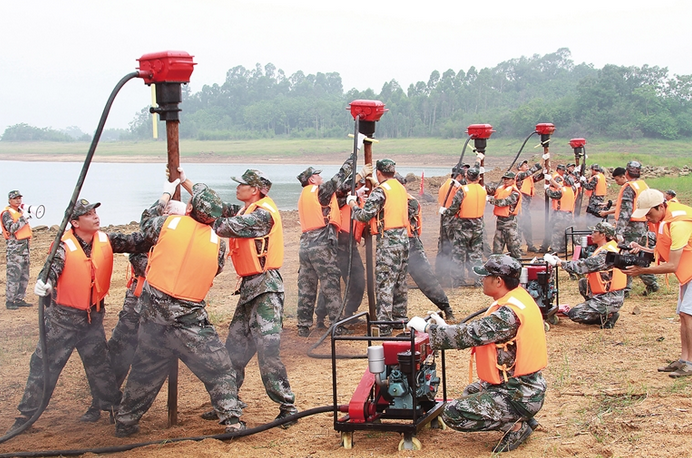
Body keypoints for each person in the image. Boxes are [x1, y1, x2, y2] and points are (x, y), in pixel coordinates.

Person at [115, 180, 244, 436]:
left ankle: (126, 422)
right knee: (219, 368)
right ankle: (231, 420)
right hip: (188, 317)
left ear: (189, 207)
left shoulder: (167, 224)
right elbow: (216, 269)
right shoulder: (218, 242)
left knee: (146, 369)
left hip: (153, 312)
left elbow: (146, 220)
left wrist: (164, 194)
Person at [10, 199, 147, 433]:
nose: (95, 217)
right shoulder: (63, 246)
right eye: (88, 214)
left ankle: (113, 407)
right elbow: (50, 269)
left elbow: (139, 240)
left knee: (100, 367)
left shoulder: (105, 239)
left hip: (92, 319)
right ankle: (26, 416)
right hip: (62, 320)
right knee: (45, 365)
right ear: (74, 222)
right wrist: (45, 283)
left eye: (95, 212)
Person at [406, 254, 547, 453]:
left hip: (519, 394)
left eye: (485, 276)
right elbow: (480, 331)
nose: (482, 280)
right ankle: (520, 416)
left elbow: (472, 334)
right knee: (472, 392)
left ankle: (516, 425)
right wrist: (446, 327)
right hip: (524, 387)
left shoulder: (508, 314)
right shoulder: (517, 299)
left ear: (498, 281)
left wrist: (428, 329)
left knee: (453, 413)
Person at [81, 200, 185, 422]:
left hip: (165, 312)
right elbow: (144, 261)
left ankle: (128, 410)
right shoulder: (146, 242)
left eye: (171, 215)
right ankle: (100, 405)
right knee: (118, 355)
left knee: (152, 360)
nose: (166, 218)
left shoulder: (184, 244)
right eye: (164, 214)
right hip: (135, 307)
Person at [211, 169, 299, 427]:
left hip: (265, 289)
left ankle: (288, 406)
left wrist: (200, 216)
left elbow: (223, 226)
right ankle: (229, 401)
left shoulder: (261, 215)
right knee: (233, 350)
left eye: (243, 185)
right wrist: (184, 183)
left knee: (268, 351)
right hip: (250, 289)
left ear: (256, 190)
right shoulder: (247, 210)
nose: (238, 188)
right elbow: (218, 208)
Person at [295, 160, 371, 337]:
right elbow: (338, 178)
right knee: (331, 284)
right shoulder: (319, 191)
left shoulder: (306, 195)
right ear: (312, 179)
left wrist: (354, 196)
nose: (321, 177)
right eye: (318, 175)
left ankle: (303, 326)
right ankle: (337, 325)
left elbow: (337, 200)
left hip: (305, 243)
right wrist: (353, 158)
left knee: (306, 286)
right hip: (321, 242)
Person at [627, 189, 692, 377]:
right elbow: (664, 251)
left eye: (649, 213)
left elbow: (671, 265)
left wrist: (642, 270)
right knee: (683, 314)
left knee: (688, 314)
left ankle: (690, 363)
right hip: (688, 272)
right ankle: (684, 360)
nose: (647, 218)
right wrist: (642, 249)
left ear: (661, 206)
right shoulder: (665, 220)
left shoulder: (678, 224)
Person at [348, 158, 409, 336]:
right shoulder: (400, 187)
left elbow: (364, 215)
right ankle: (399, 320)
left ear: (379, 173)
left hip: (388, 241)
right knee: (400, 281)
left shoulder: (380, 192)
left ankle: (383, 326)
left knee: (385, 282)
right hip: (403, 239)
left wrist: (352, 203)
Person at [397, 173, 454, 320]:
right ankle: (397, 317)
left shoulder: (410, 202)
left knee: (426, 279)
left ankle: (446, 307)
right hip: (393, 245)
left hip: (411, 245)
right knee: (396, 283)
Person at [550, 222, 625, 328]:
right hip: (607, 294)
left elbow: (583, 266)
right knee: (583, 283)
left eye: (595, 232)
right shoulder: (607, 248)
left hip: (610, 298)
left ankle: (607, 315)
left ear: (603, 235)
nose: (592, 234)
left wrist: (560, 263)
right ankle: (601, 311)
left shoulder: (607, 253)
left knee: (575, 314)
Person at [613, 161, 659, 296]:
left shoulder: (629, 187)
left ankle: (625, 289)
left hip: (631, 227)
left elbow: (626, 211)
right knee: (638, 256)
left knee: (626, 257)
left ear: (626, 173)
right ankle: (651, 283)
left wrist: (619, 231)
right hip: (642, 225)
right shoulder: (643, 185)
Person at [445, 166, 486, 287]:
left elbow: (454, 208)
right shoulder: (483, 190)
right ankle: (478, 280)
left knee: (459, 254)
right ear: (478, 178)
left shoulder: (462, 190)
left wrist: (445, 211)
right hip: (478, 225)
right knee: (476, 254)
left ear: (467, 177)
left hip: (463, 226)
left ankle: (458, 281)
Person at [2, 190, 33, 310]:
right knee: (13, 275)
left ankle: (19, 299)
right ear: (10, 200)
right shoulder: (6, 214)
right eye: (15, 198)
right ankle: (10, 301)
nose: (18, 200)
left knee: (24, 275)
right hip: (15, 251)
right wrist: (23, 218)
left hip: (25, 249)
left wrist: (24, 216)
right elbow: (11, 228)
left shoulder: (21, 212)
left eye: (19, 198)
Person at [436, 165, 466, 286]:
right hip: (453, 219)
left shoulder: (444, 185)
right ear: (459, 176)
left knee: (444, 247)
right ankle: (456, 277)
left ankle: (441, 273)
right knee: (456, 248)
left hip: (445, 218)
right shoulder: (456, 187)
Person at [488, 171, 523, 259]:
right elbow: (491, 191)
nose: (505, 181)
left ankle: (518, 266)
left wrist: (490, 200)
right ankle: (496, 267)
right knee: (497, 249)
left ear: (513, 180)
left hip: (509, 223)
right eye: (504, 179)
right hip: (500, 223)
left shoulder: (515, 192)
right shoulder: (501, 189)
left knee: (513, 248)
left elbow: (505, 202)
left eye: (508, 179)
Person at [545, 165, 575, 255]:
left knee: (557, 232)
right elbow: (558, 185)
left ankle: (554, 250)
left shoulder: (563, 190)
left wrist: (547, 188)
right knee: (566, 231)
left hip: (561, 214)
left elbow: (553, 194)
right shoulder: (572, 189)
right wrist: (550, 180)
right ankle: (563, 248)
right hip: (569, 214)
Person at [515, 161, 544, 253]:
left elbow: (537, 177)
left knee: (527, 224)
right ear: (520, 168)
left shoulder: (528, 177)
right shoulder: (520, 176)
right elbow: (531, 172)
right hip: (520, 204)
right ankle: (517, 247)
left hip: (526, 204)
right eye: (524, 164)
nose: (526, 165)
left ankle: (530, 245)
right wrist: (541, 162)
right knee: (520, 225)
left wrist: (544, 173)